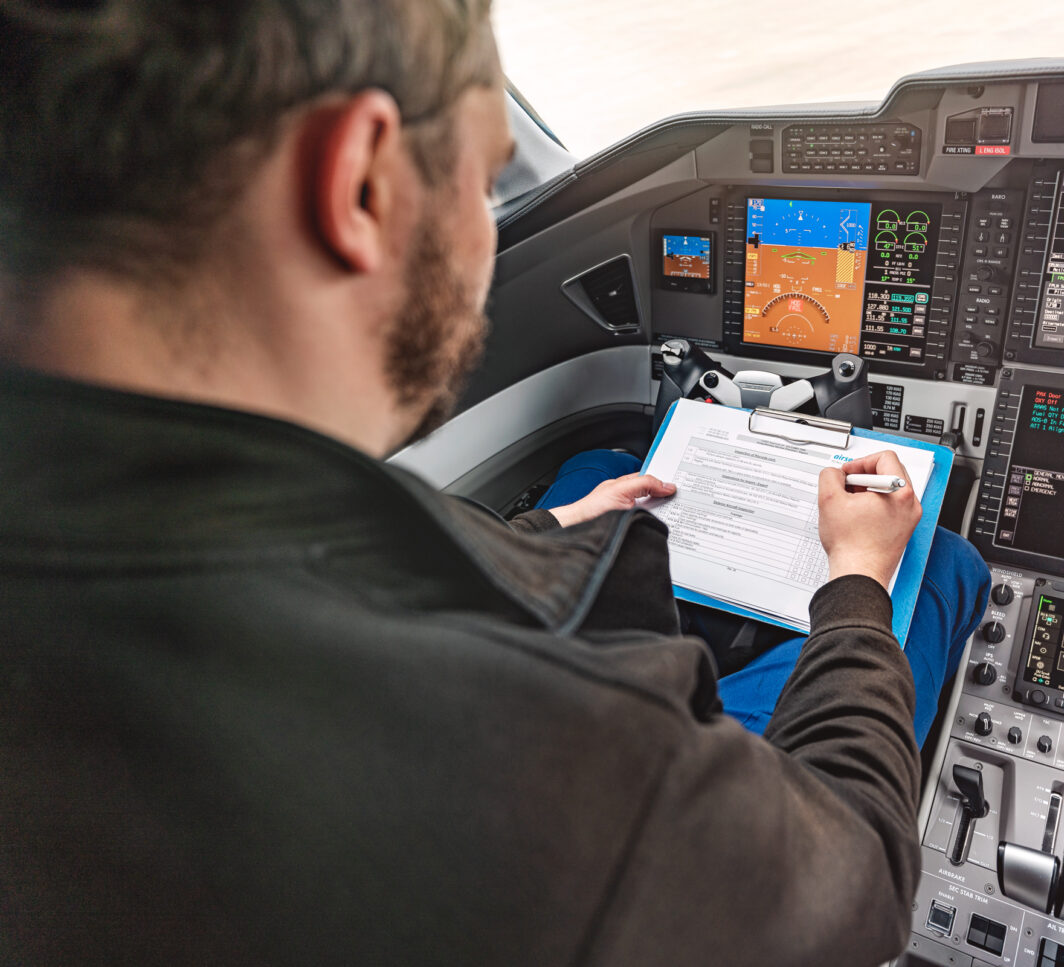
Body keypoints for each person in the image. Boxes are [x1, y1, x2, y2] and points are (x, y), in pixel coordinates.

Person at [0, 2, 989, 965]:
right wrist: (856, 582)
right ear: (360, 184)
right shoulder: (547, 757)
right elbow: (854, 885)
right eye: (482, 180)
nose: (486, 231)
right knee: (939, 563)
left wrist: (554, 530)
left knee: (609, 473)